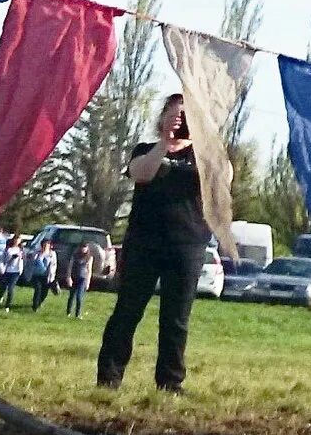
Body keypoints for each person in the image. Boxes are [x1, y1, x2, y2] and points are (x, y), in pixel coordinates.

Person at [97, 93, 221, 393]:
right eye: (174, 114)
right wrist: (165, 142)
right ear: (162, 116)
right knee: (127, 311)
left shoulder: (204, 154)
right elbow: (142, 174)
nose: (179, 120)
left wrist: (206, 138)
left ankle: (170, 382)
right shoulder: (145, 149)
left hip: (187, 245)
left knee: (175, 319)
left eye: (185, 116)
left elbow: (223, 177)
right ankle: (109, 378)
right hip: (144, 243)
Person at [26, 234, 57, 311]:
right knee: (38, 289)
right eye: (44, 244)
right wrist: (42, 255)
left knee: (44, 292)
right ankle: (35, 306)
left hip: (46, 276)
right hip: (36, 275)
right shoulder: (37, 253)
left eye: (48, 244)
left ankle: (39, 302)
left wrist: (51, 276)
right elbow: (34, 262)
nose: (46, 246)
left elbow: (53, 265)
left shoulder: (52, 254)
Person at [65, 243, 94, 318]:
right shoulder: (75, 256)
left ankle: (77, 314)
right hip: (74, 277)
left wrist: (88, 282)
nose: (83, 249)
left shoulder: (89, 257)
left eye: (85, 247)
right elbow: (70, 267)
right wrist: (69, 277)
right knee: (72, 296)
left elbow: (89, 270)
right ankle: (68, 312)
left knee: (79, 297)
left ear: (87, 248)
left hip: (83, 278)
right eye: (82, 247)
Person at [0, 234, 21, 310]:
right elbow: (3, 260)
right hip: (7, 270)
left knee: (11, 288)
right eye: (16, 239)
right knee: (3, 286)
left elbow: (23, 260)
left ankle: (7, 306)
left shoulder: (21, 250)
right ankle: (0, 298)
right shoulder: (8, 249)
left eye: (19, 239)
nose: (17, 241)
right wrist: (12, 257)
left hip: (16, 272)